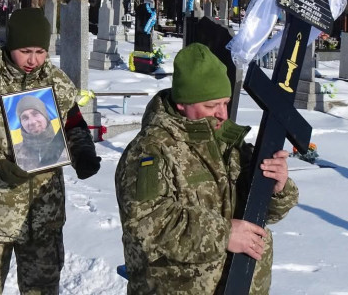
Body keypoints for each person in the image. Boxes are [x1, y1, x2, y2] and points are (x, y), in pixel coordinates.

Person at [0, 7, 102, 294]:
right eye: (25, 51)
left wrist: (83, 153)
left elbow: (74, 124)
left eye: (40, 52)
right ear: (10, 45)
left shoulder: (57, 82)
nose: (33, 60)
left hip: (43, 216)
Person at [115, 43, 298, 295]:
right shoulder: (150, 151)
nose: (222, 114)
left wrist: (276, 187)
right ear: (183, 103)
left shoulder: (228, 143)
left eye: (225, 103)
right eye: (212, 106)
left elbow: (261, 212)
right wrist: (224, 234)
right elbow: (148, 227)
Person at [12, 94, 67, 171]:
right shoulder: (14, 152)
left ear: (45, 116)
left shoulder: (65, 144)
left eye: (35, 114)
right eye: (25, 118)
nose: (32, 122)